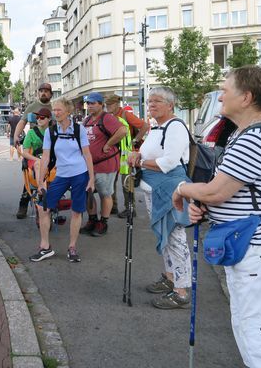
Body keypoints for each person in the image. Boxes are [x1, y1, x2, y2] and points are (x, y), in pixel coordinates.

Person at [173, 66, 261, 366]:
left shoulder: (256, 138)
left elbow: (217, 191)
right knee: (256, 327)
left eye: (225, 92)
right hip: (256, 246)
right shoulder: (248, 134)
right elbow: (230, 194)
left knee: (259, 334)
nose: (219, 99)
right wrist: (203, 207)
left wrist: (184, 189)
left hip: (260, 248)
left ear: (247, 97)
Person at [127, 87, 191, 309]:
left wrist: (140, 162)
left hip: (171, 190)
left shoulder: (175, 127)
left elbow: (169, 162)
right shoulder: (158, 127)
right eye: (150, 101)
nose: (151, 105)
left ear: (170, 105)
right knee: (165, 236)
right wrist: (137, 155)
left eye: (157, 101)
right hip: (156, 190)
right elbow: (147, 154)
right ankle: (170, 278)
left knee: (175, 238)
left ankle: (181, 291)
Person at [33, 97, 95, 262]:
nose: (56, 112)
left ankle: (72, 247)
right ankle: (45, 247)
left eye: (59, 109)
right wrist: (41, 181)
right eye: (54, 109)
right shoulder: (51, 131)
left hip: (79, 174)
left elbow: (87, 154)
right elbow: (45, 158)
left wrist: (91, 178)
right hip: (61, 175)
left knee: (76, 211)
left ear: (68, 111)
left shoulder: (78, 129)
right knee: (43, 208)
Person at [81, 92, 127, 236]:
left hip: (105, 164)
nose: (90, 106)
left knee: (104, 193)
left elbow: (122, 130)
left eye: (93, 103)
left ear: (101, 104)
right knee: (87, 193)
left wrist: (108, 144)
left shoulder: (107, 118)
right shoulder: (87, 120)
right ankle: (92, 219)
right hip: (90, 165)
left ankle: (103, 222)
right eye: (88, 103)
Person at [105, 94, 150, 218]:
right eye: (106, 105)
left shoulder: (125, 114)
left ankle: (130, 208)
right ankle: (112, 207)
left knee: (127, 181)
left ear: (116, 104)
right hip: (113, 153)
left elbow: (145, 126)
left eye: (109, 105)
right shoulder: (109, 116)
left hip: (126, 153)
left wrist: (134, 141)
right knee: (111, 181)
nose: (107, 107)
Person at [13, 83, 53, 219]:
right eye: (41, 91)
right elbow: (22, 122)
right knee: (30, 178)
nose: (43, 93)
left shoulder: (55, 107)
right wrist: (15, 136)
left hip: (51, 148)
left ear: (51, 93)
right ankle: (23, 205)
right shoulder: (32, 107)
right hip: (35, 148)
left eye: (46, 91)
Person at [20, 107, 52, 191]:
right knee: (39, 164)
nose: (39, 120)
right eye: (37, 117)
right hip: (35, 159)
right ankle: (42, 190)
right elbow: (25, 153)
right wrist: (38, 159)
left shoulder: (54, 131)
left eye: (42, 117)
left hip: (51, 158)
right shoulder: (31, 133)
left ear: (49, 119)